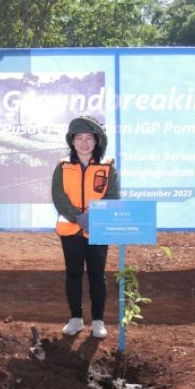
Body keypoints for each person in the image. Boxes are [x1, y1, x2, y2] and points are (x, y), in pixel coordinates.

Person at [51, 115, 119, 339]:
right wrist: (78, 217)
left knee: (97, 275)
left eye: (89, 138)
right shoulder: (63, 166)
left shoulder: (107, 166)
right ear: (72, 141)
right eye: (79, 138)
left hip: (97, 228)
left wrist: (93, 217)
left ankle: (98, 320)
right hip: (70, 229)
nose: (84, 143)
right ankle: (75, 318)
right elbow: (58, 196)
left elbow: (112, 196)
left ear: (97, 140)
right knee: (73, 274)